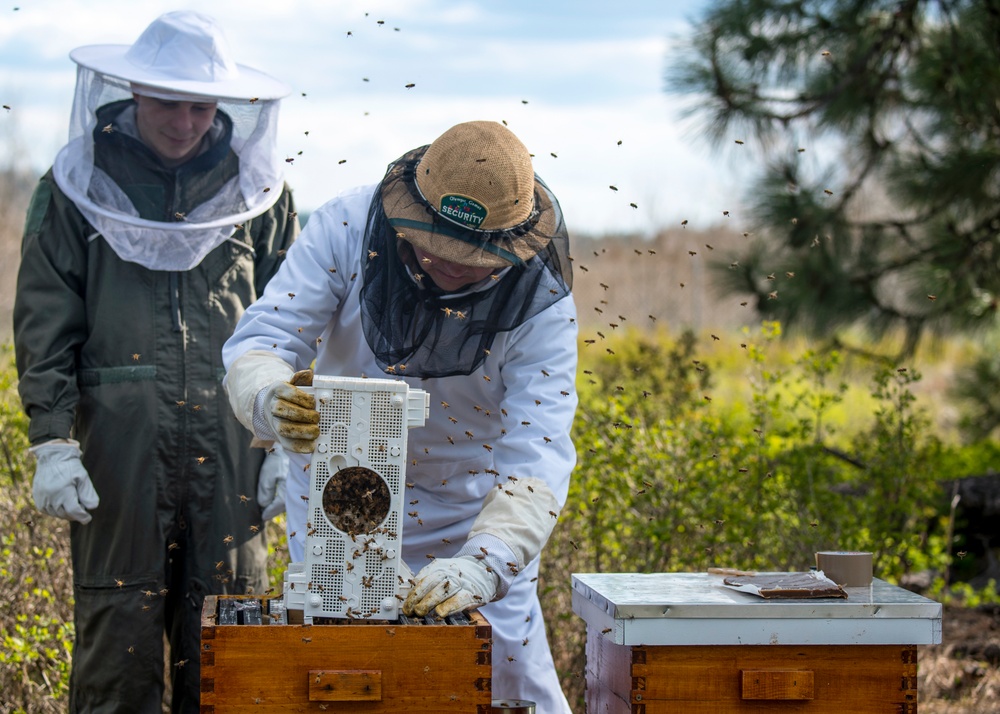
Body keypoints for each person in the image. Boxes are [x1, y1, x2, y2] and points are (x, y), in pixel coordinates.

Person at [222, 120, 578, 711]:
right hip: (340, 509)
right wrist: (268, 397)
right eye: (438, 246)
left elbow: (537, 455)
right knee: (346, 688)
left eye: (474, 257)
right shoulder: (342, 227)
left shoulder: (542, 309)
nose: (451, 266)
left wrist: (484, 566)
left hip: (470, 520)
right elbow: (266, 336)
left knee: (513, 691)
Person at [13, 11, 299, 713]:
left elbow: (295, 321)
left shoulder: (258, 192)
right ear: (134, 91)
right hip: (118, 447)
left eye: (200, 105)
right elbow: (47, 319)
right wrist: (53, 440)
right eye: (169, 101)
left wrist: (290, 437)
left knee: (229, 642)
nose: (184, 121)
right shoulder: (77, 185)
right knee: (119, 642)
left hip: (232, 446)